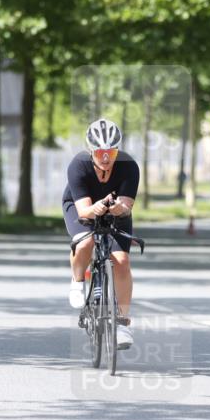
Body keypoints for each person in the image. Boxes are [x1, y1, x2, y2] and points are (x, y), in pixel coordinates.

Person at [62, 118, 139, 349]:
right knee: (85, 243)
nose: (106, 158)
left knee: (122, 260)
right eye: (100, 153)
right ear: (91, 151)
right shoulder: (79, 165)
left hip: (116, 211)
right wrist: (94, 209)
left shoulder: (129, 166)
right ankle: (77, 282)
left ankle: (123, 323)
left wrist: (117, 209)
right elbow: (84, 211)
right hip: (81, 206)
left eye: (111, 153)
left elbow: (126, 206)